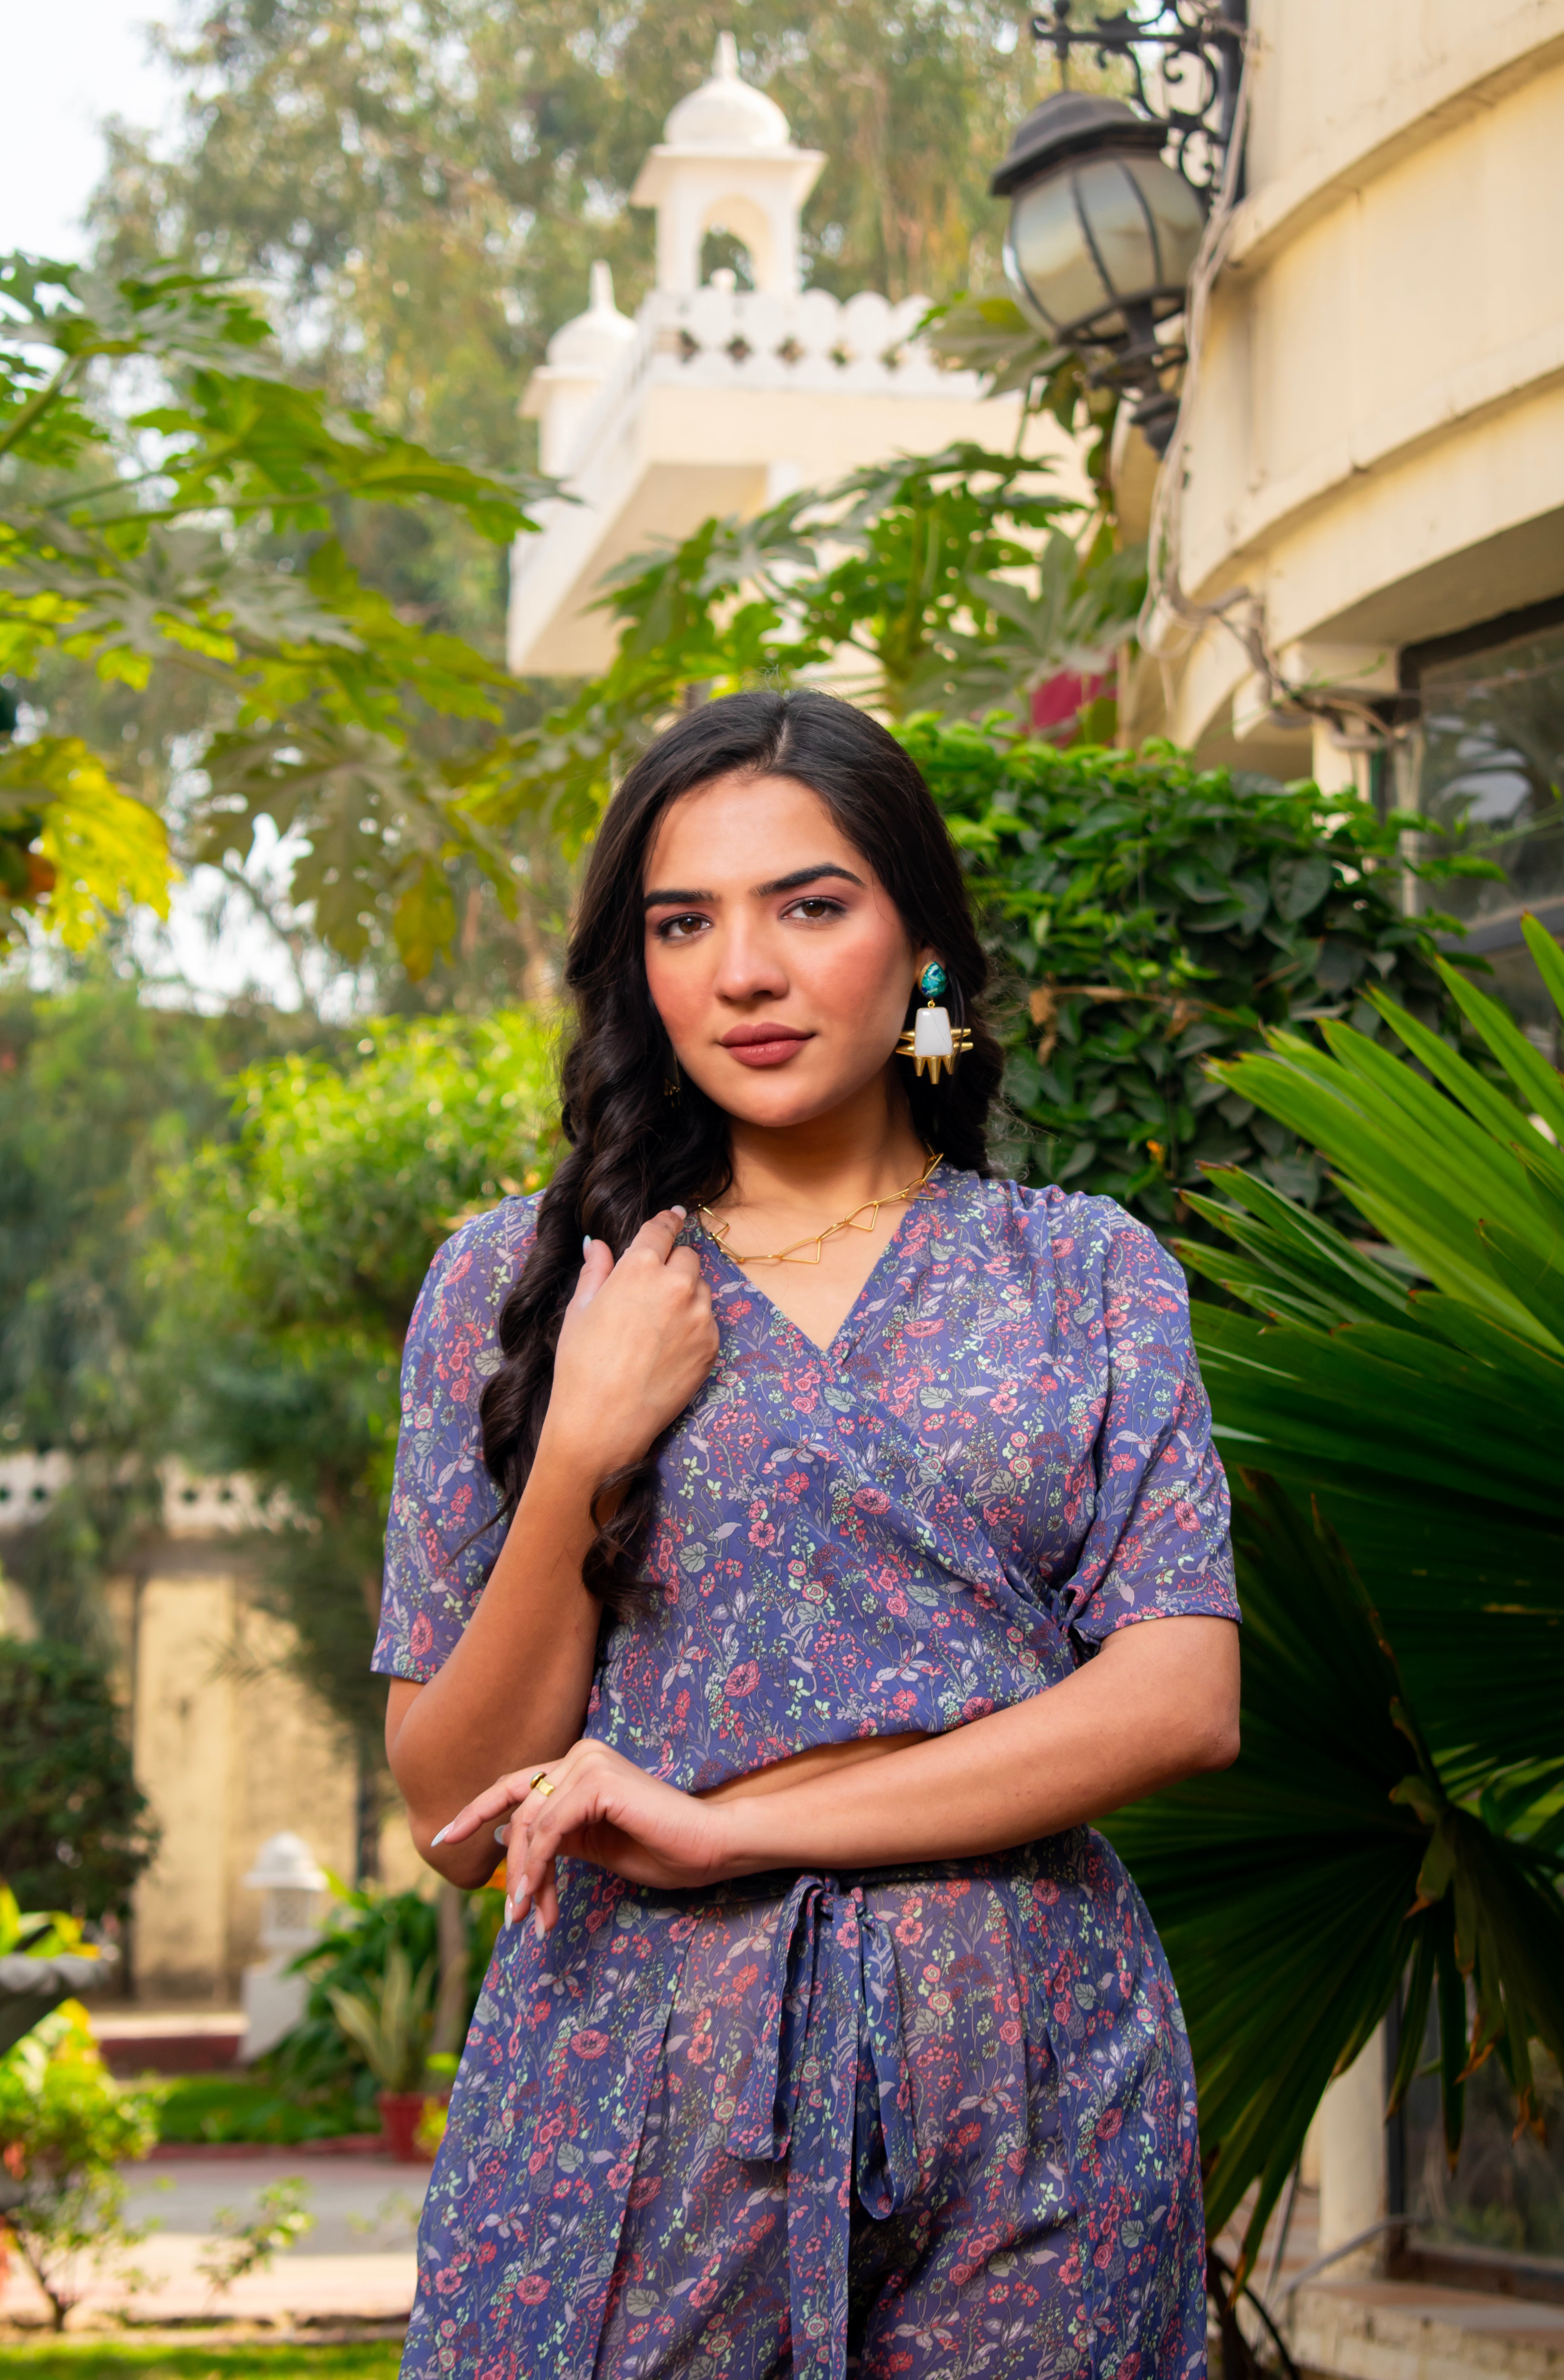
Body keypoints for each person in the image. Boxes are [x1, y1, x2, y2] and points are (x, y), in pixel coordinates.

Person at [374, 689, 1241, 2380]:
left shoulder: (1081, 1273)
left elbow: (1176, 1696)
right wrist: (580, 1454)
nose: (743, 973)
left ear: (919, 942)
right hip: (631, 2086)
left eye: (811, 905)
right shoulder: (521, 1288)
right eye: (682, 923)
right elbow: (451, 1813)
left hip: (1038, 2087)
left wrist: (727, 1833)